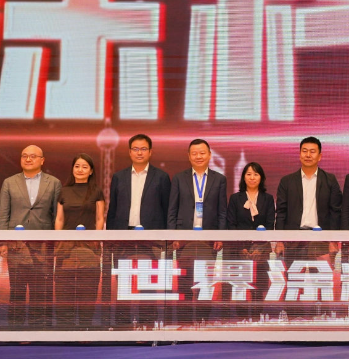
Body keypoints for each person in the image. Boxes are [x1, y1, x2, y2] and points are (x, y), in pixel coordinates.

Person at [106, 133, 172, 327]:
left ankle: (146, 323)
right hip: (123, 236)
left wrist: (164, 238)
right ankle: (122, 325)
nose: (139, 152)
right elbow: (112, 210)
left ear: (150, 152)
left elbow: (167, 210)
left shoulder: (161, 177)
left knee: (147, 281)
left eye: (143, 149)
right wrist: (111, 238)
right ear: (129, 152)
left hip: (150, 237)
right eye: (135, 149)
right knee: (124, 281)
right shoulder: (119, 177)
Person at [0, 145, 62, 327]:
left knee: (41, 290)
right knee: (17, 289)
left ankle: (39, 327)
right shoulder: (9, 182)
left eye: (33, 156)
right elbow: (3, 214)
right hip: (17, 246)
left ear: (42, 160)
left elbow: (57, 216)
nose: (28, 159)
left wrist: (57, 242)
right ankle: (16, 328)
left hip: (44, 246)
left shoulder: (54, 183)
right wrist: (2, 242)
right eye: (24, 155)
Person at [168, 139, 228, 323]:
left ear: (209, 155)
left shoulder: (219, 179)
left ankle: (203, 320)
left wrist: (220, 236)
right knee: (185, 281)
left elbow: (222, 211)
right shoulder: (179, 178)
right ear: (188, 156)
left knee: (205, 281)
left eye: (202, 153)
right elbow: (172, 209)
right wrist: (173, 236)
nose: (198, 156)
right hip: (184, 238)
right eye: (194, 153)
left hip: (208, 238)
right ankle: (185, 320)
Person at [54, 153, 105, 327]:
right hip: (65, 248)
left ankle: (85, 328)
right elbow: (59, 219)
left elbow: (100, 218)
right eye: (77, 166)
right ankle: (65, 330)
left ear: (91, 171)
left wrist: (96, 240)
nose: (80, 170)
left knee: (87, 292)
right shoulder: (64, 191)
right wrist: (59, 241)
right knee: (64, 292)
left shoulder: (96, 191)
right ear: (72, 169)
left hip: (89, 248)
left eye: (84, 167)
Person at [275, 137, 342, 263]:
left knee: (321, 276)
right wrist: (279, 240)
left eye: (312, 151)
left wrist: (333, 240)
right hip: (293, 241)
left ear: (319, 156)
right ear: (299, 154)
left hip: (321, 241)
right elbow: (281, 213)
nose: (308, 155)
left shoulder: (330, 180)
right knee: (294, 276)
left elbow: (335, 213)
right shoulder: (287, 181)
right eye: (304, 151)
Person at [226, 162, 275, 315]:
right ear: (243, 177)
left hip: (261, 250)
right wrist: (241, 248)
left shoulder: (268, 199)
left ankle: (257, 316)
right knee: (241, 285)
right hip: (240, 250)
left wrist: (259, 249)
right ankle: (241, 317)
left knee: (259, 285)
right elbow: (231, 224)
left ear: (261, 178)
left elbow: (270, 224)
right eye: (248, 174)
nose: (252, 178)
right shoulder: (235, 198)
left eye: (256, 174)